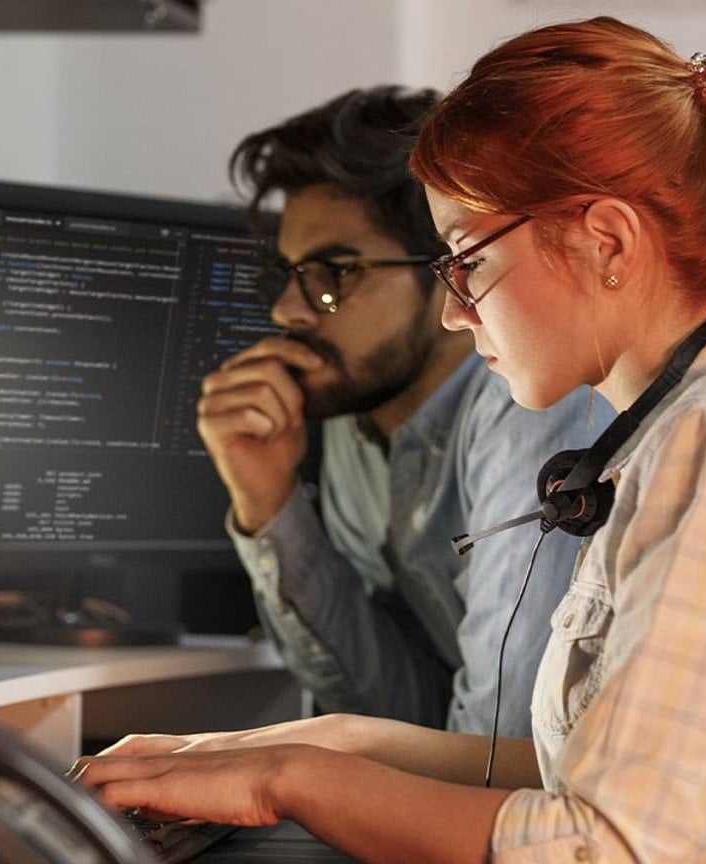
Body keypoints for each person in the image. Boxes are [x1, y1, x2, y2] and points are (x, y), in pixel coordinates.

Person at [84, 27, 706, 860]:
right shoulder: (687, 424)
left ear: (607, 244)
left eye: (467, 259)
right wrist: (311, 746)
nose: (456, 314)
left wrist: (281, 783)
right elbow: (583, 764)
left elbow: (602, 845)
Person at [203, 86, 608, 737]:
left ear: (450, 270)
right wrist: (270, 504)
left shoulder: (534, 407)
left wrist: (281, 770)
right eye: (287, 272)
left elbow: (496, 749)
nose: (288, 310)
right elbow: (397, 712)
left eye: (335, 272)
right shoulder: (355, 415)